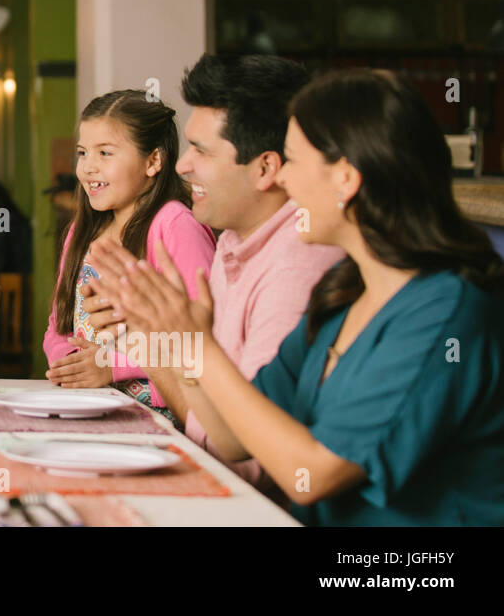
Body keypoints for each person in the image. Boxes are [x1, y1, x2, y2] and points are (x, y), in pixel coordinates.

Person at [111, 69, 504, 524]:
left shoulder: (443, 312)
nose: (283, 181)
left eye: (293, 161)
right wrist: (177, 342)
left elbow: (313, 474)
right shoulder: (345, 296)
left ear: (346, 179)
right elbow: (236, 439)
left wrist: (195, 343)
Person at [80, 55, 343, 487]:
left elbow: (244, 458)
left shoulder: (298, 266)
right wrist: (142, 330)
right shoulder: (234, 240)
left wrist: (171, 340)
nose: (182, 165)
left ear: (265, 168)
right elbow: (209, 425)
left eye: (201, 150)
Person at [43, 89, 214, 420]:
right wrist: (68, 362)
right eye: (82, 153)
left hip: (164, 419)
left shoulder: (175, 225)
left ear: (153, 161)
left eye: (105, 153)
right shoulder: (82, 230)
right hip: (88, 409)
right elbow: (58, 324)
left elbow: (202, 339)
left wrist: (110, 365)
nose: (88, 168)